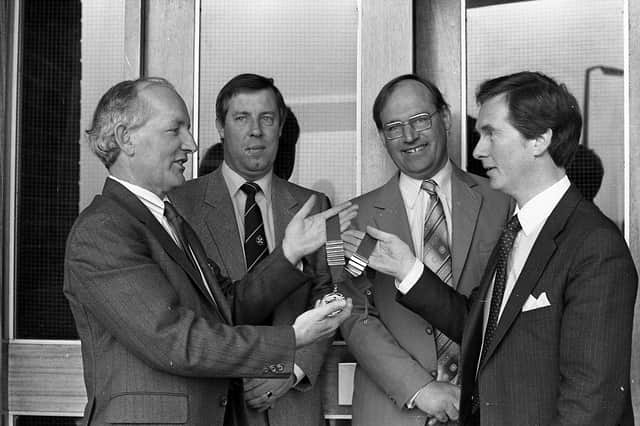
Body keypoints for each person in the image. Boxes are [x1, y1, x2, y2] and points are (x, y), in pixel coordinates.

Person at [63, 77, 356, 426]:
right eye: (176, 130)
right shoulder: (103, 230)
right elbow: (175, 341)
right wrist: (292, 338)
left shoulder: (169, 221)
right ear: (127, 139)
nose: (191, 143)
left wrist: (288, 253)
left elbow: (226, 306)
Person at [351, 71, 637, 425]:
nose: (477, 150)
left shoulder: (594, 245)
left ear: (539, 140)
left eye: (491, 134)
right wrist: (409, 271)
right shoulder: (517, 229)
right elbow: (482, 326)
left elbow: (591, 403)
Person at [339, 74, 512, 426]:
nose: (409, 136)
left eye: (420, 120)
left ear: (444, 118)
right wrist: (421, 389)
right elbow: (353, 313)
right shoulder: (352, 219)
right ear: (382, 136)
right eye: (394, 127)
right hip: (393, 410)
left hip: (487, 407)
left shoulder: (502, 202)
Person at [170, 73, 333, 426]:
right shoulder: (179, 205)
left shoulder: (315, 205)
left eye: (267, 118)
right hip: (210, 401)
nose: (255, 130)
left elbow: (331, 294)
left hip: (291, 405)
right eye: (241, 118)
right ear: (220, 127)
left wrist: (290, 368)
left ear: (280, 128)